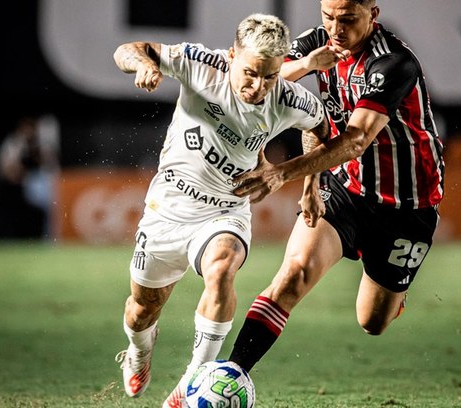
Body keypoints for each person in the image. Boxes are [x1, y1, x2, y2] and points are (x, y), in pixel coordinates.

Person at [111, 13, 327, 407]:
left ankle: (193, 381)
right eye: (250, 73)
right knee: (142, 309)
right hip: (169, 206)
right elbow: (129, 49)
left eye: (270, 77)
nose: (258, 86)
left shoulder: (288, 98)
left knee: (222, 267)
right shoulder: (200, 64)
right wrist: (143, 64)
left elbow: (320, 129)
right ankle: (139, 350)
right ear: (231, 56)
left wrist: (311, 184)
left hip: (225, 210)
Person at [226, 0, 445, 376]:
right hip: (345, 185)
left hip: (406, 204)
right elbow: (274, 81)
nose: (336, 28)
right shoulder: (318, 43)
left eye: (347, 19)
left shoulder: (394, 63)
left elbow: (355, 140)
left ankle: (395, 297)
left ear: (372, 15)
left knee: (372, 322)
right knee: (294, 274)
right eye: (328, 17)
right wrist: (312, 181)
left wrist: (283, 173)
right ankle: (229, 374)